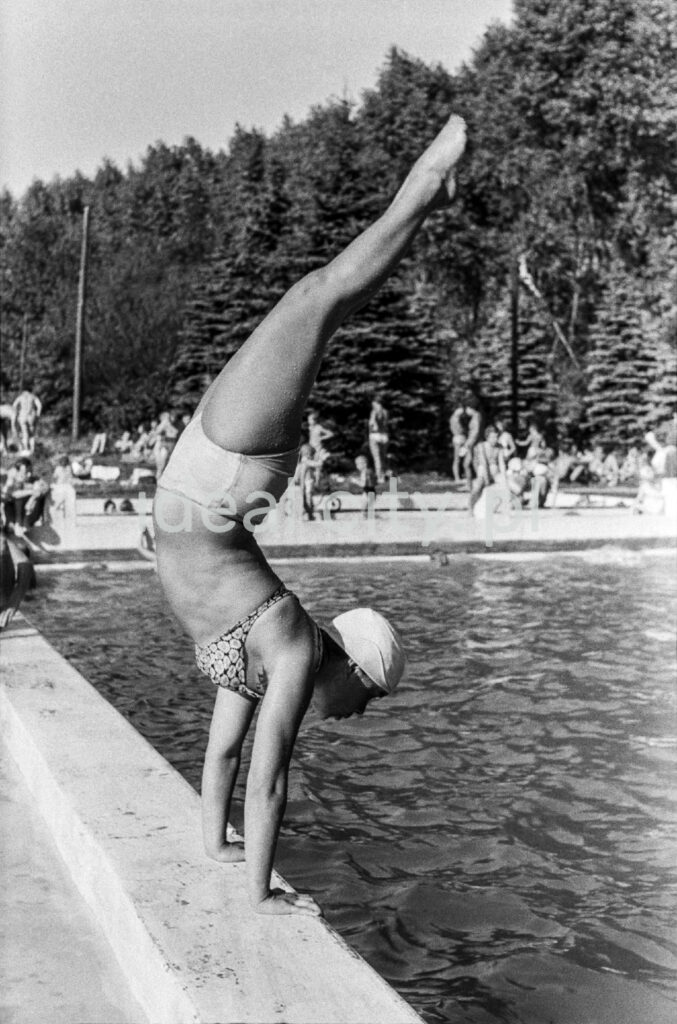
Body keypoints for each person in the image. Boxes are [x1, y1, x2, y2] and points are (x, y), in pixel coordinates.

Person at [153, 113, 467, 917]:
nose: (353, 717)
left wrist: (215, 848)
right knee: (318, 296)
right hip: (226, 476)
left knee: (319, 304)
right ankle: (426, 183)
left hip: (212, 480)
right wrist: (260, 896)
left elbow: (224, 756)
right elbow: (270, 773)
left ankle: (425, 192)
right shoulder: (289, 644)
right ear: (353, 669)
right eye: (363, 702)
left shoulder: (255, 665)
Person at [468, 424, 505, 515]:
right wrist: (487, 479)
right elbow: (483, 462)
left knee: (505, 487)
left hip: (495, 472)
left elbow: (501, 463)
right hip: (483, 471)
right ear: (487, 437)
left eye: (496, 437)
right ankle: (470, 508)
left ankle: (493, 508)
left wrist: (504, 478)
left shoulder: (499, 447)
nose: (495, 439)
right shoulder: (481, 446)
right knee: (477, 488)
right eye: (492, 437)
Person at [12, 386, 42, 453]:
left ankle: (26, 450)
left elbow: (14, 405)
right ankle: (32, 450)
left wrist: (17, 413)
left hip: (22, 415)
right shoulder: (33, 396)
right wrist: (38, 414)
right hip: (31, 416)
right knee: (32, 435)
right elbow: (39, 405)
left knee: (25, 433)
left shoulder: (20, 397)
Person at [368, 396, 389, 484]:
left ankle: (380, 478)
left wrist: (371, 426)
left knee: (377, 458)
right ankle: (385, 475)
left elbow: (372, 423)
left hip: (374, 435)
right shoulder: (385, 412)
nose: (372, 405)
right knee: (383, 457)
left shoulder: (374, 412)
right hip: (384, 436)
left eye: (373, 404)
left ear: (377, 403)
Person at [152, 411, 180, 478]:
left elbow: (175, 433)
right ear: (162, 418)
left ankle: (159, 474)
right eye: (166, 417)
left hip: (164, 445)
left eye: (168, 417)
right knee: (160, 458)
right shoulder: (163, 424)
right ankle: (159, 473)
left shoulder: (167, 425)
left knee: (163, 457)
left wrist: (168, 426)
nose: (168, 418)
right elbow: (156, 433)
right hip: (159, 444)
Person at [448, 404, 467, 483]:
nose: (462, 411)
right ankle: (457, 478)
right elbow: (457, 430)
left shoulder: (458, 418)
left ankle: (464, 475)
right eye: (461, 409)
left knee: (465, 459)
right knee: (457, 459)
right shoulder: (454, 419)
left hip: (462, 438)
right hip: (458, 438)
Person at [354, 454, 377, 518]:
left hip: (367, 492)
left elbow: (363, 484)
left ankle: (368, 521)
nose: (357, 466)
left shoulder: (364, 472)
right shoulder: (370, 471)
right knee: (366, 510)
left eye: (358, 464)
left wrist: (355, 481)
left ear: (364, 464)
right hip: (372, 491)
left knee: (363, 510)